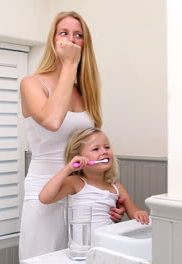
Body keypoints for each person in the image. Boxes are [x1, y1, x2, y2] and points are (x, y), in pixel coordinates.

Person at [19, 11, 125, 260]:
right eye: (63, 33)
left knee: (81, 257)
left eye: (78, 35)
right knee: (43, 258)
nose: (71, 40)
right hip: (44, 190)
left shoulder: (86, 92)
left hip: (81, 191)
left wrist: (107, 199)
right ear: (53, 40)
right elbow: (52, 121)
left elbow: (90, 148)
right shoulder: (32, 84)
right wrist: (69, 64)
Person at [39, 127, 149, 232]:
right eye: (96, 149)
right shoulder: (75, 183)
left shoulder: (117, 188)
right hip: (82, 246)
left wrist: (139, 213)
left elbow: (134, 212)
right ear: (78, 157)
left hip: (107, 242)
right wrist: (68, 168)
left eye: (107, 147)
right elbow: (45, 198)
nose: (104, 151)